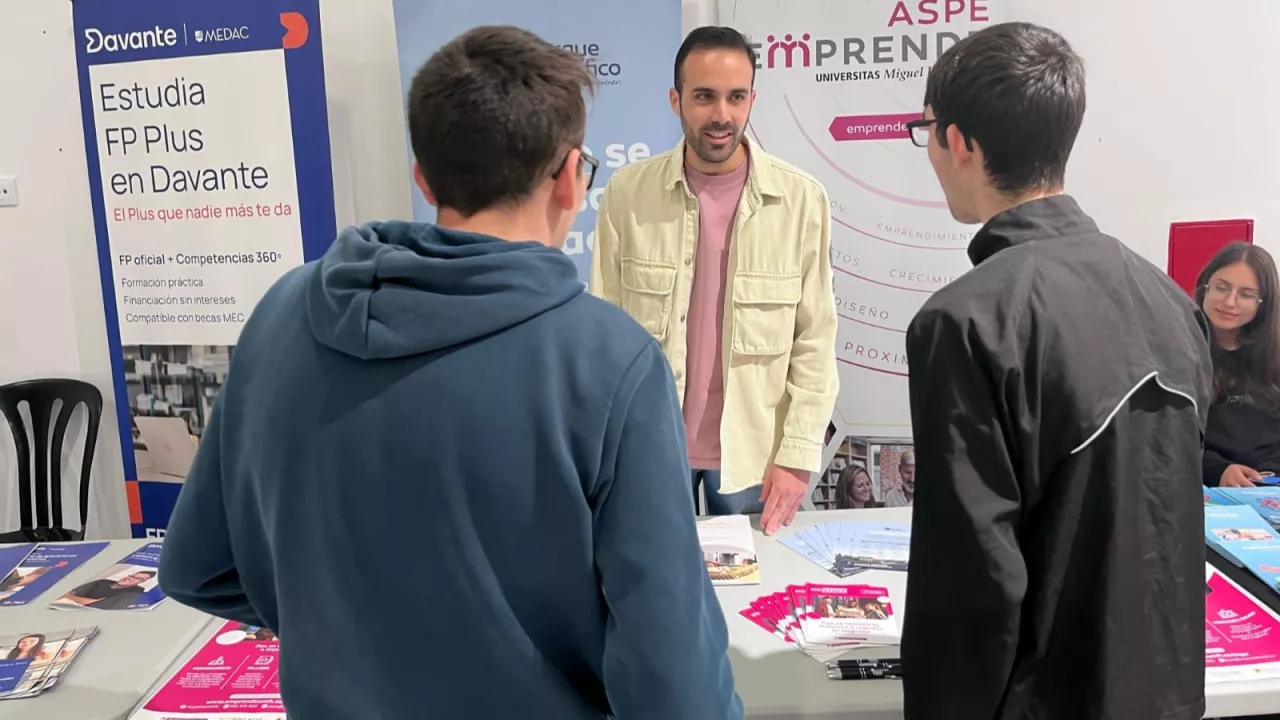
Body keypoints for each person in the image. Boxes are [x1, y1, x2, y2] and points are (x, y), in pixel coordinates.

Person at [158, 25, 741, 720]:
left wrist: (343, 631)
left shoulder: (283, 314)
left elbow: (198, 567)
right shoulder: (610, 362)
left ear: (424, 177)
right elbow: (676, 686)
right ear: (569, 177)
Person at [900, 22, 1212, 720]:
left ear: (959, 142)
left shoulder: (964, 321)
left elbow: (971, 582)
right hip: (1166, 693)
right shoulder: (1172, 302)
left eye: (926, 132)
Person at [591, 26, 838, 534]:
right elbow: (602, 337)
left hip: (756, 456)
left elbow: (815, 340)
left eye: (736, 97)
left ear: (752, 100)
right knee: (652, 577)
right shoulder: (627, 195)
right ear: (676, 100)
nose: (722, 114)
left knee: (758, 585)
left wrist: (796, 455)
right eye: (704, 96)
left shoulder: (801, 201)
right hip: (649, 449)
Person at [1197, 242, 1280, 487]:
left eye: (1246, 294)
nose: (1230, 302)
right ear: (1205, 287)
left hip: (1269, 488)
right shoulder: (1179, 350)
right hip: (1205, 487)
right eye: (1221, 287)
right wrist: (1218, 470)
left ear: (1263, 303)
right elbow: (1162, 436)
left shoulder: (1274, 356)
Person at [60, 570, 153, 610]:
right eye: (132, 576)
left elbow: (100, 604)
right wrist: (70, 596)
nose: (130, 579)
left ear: (141, 582)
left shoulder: (135, 591)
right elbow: (72, 592)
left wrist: (70, 597)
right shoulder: (103, 581)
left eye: (138, 579)